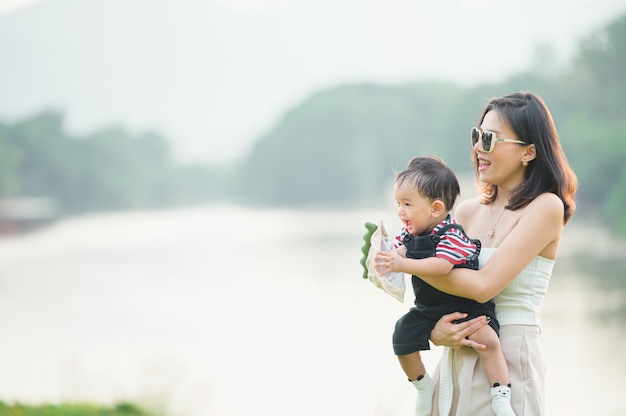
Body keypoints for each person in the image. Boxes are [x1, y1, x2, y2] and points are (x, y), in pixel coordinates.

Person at [384, 91, 577, 415]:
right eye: (477, 136)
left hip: (508, 358)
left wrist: (405, 264)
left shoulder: (545, 207)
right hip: (456, 354)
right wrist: (433, 331)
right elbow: (432, 286)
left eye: (490, 139)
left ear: (529, 152)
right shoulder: (466, 211)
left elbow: (484, 285)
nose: (477, 147)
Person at [374, 156, 516, 416]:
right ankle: (422, 384)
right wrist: (381, 258)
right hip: (429, 308)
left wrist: (402, 264)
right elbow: (399, 251)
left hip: (465, 305)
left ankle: (500, 393)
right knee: (402, 336)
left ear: (436, 208)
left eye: (407, 204)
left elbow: (441, 267)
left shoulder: (450, 233)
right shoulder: (411, 233)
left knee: (487, 341)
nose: (400, 211)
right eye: (398, 204)